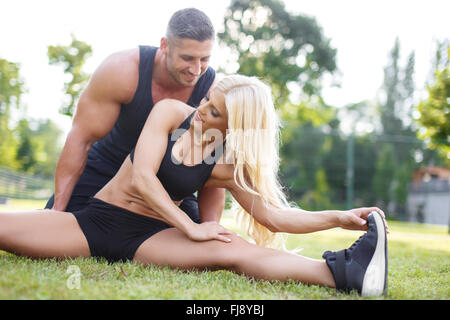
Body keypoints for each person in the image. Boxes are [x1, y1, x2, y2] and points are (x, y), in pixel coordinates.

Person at [0, 75, 389, 297]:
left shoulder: (226, 164)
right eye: (206, 99)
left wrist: (339, 217)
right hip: (95, 222)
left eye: (214, 111)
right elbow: (142, 177)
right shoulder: (169, 113)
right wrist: (190, 227)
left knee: (236, 250)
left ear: (234, 126)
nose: (201, 109)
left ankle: (346, 272)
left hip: (149, 238)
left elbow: (272, 216)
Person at [45, 8, 226, 223]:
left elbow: (211, 168)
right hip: (107, 169)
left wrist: (210, 229)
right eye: (188, 58)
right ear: (164, 45)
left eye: (204, 59)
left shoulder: (211, 94)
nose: (196, 70)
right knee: (58, 226)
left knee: (193, 245)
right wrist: (57, 211)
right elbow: (80, 140)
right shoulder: (122, 71)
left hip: (166, 183)